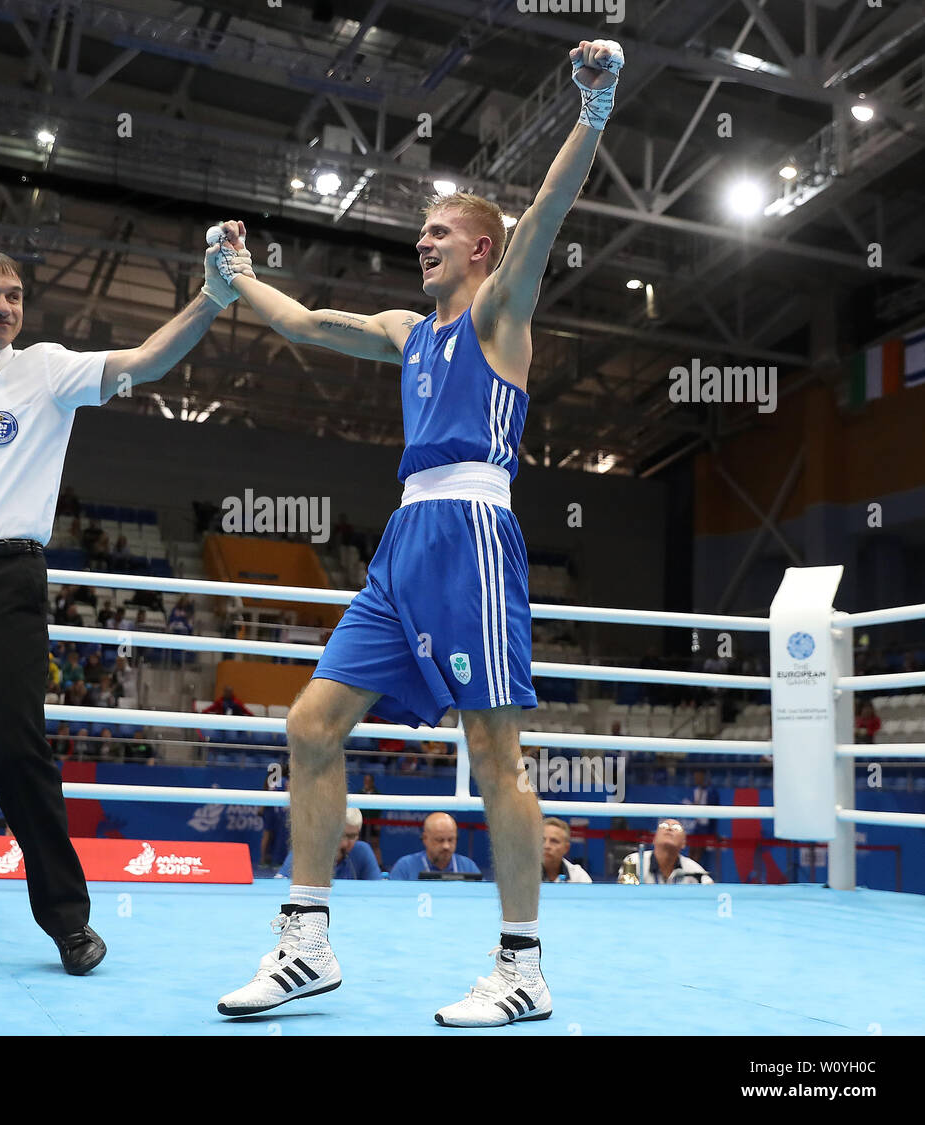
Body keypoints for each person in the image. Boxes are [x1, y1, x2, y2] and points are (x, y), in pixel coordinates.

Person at [216, 39, 625, 1025]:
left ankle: (522, 967)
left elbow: (545, 217)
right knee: (309, 725)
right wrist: (235, 274)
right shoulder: (412, 329)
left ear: (480, 250)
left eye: (440, 231)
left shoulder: (500, 313)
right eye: (423, 232)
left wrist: (594, 107)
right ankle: (306, 944)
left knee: (496, 761)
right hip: (402, 546)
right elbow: (309, 321)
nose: (423, 241)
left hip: (472, 536)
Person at [0, 241, 253, 970]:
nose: (3, 306)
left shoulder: (46, 368)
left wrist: (211, 298)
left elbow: (145, 361)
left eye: (12, 295)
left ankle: (67, 920)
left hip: (7, 580)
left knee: (14, 752)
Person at [276, 808, 380, 881]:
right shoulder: (305, 850)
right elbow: (278, 887)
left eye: (351, 836)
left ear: (358, 835)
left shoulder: (362, 852)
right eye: (339, 835)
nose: (344, 843)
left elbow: (379, 892)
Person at [388, 812, 481, 879]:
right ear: (425, 839)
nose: (446, 846)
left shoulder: (468, 866)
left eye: (451, 840)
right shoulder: (405, 867)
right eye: (440, 840)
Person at [617, 819, 712, 884]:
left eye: (676, 828)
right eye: (664, 826)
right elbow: (625, 897)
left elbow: (711, 894)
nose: (669, 828)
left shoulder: (694, 870)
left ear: (683, 843)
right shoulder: (634, 861)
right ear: (654, 839)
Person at [541, 817, 591, 883]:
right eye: (542, 840)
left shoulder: (578, 876)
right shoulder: (524, 872)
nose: (546, 846)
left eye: (554, 841)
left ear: (566, 848)